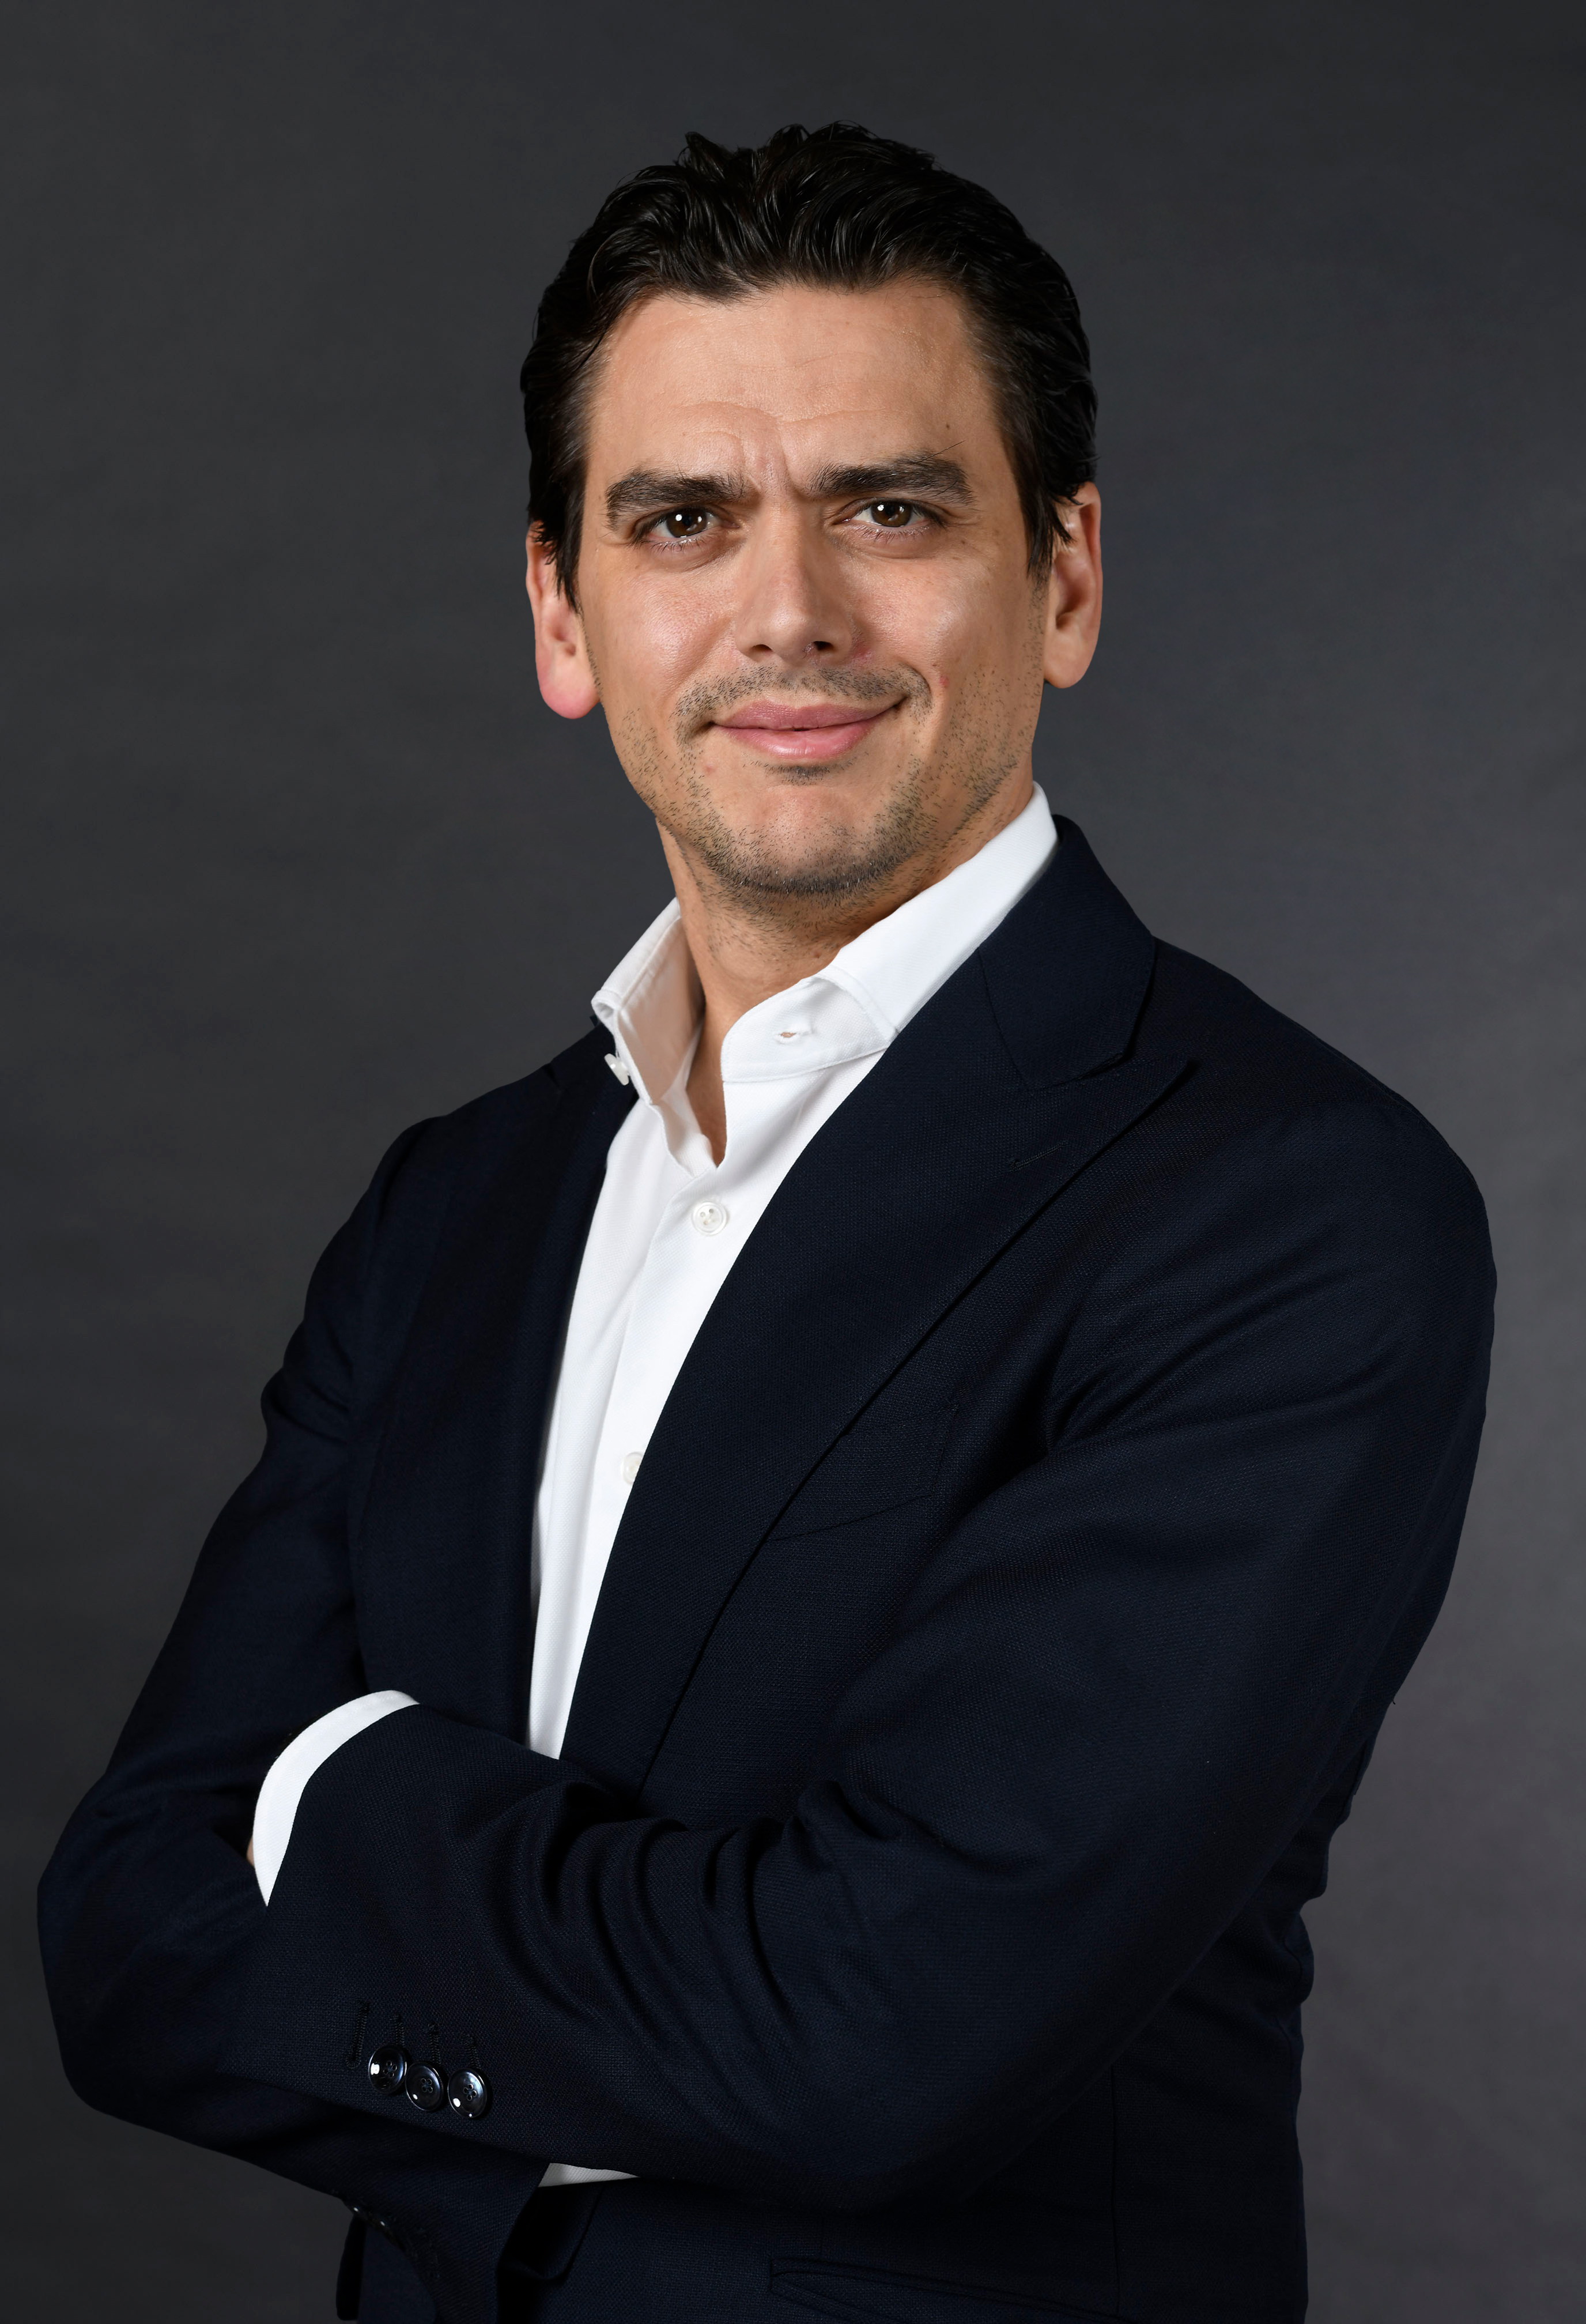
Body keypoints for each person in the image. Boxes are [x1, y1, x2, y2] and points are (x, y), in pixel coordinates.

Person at [39, 123, 1494, 2324]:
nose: (788, 610)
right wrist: (681, 1984)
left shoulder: (1289, 1212)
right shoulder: (457, 1208)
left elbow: (878, 2037)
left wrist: (335, 1821)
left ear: (1066, 578)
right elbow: (130, 1935)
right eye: (684, 521)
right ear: (565, 613)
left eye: (890, 510)